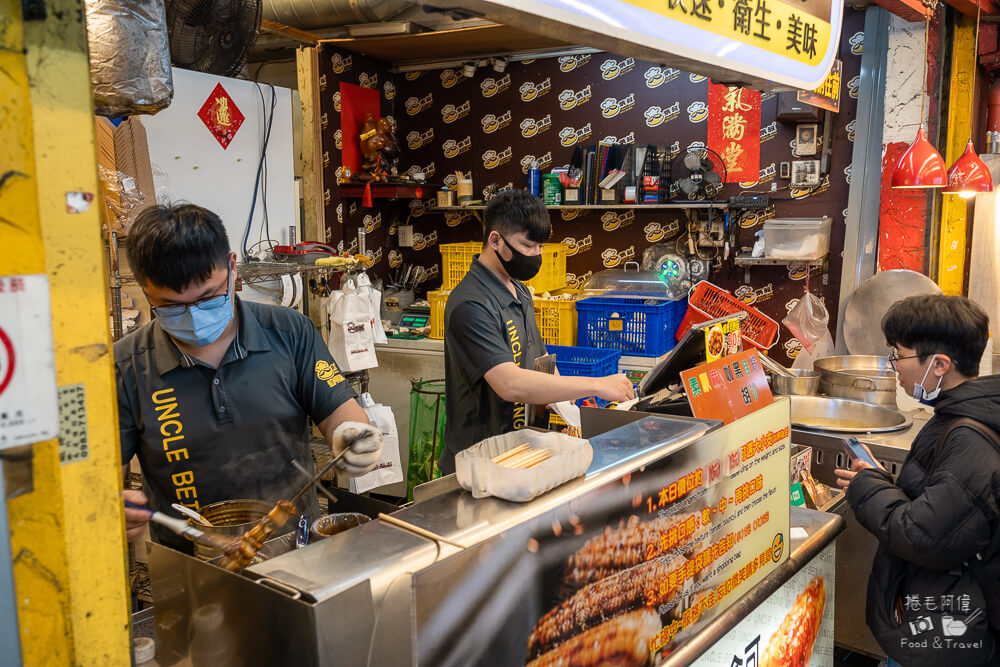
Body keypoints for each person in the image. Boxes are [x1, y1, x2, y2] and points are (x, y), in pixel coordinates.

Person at [117, 203, 382, 552]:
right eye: (172, 306)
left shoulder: (289, 332)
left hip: (294, 548)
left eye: (208, 297)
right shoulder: (126, 367)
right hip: (192, 564)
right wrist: (114, 507)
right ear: (145, 290)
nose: (194, 318)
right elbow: (106, 479)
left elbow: (341, 413)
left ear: (231, 266)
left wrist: (352, 435)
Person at [835, 295, 1000, 666]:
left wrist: (868, 486)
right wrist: (879, 477)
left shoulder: (968, 438)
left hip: (947, 633)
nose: (894, 366)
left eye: (899, 354)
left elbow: (922, 536)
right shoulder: (958, 414)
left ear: (939, 364)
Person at [440, 190, 634, 474]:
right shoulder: (471, 304)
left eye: (541, 247)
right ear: (495, 240)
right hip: (477, 464)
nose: (537, 255)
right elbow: (510, 384)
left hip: (518, 455)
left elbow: (539, 359)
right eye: (529, 246)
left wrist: (569, 405)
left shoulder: (519, 290)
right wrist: (597, 384)